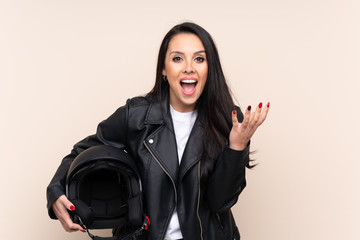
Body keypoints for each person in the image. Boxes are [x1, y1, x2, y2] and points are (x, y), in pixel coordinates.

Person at [46, 22, 269, 240]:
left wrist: (236, 147)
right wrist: (55, 192)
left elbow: (220, 201)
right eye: (177, 58)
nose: (189, 67)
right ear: (164, 68)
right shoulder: (136, 115)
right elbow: (82, 152)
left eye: (199, 59)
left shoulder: (230, 120)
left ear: (209, 68)